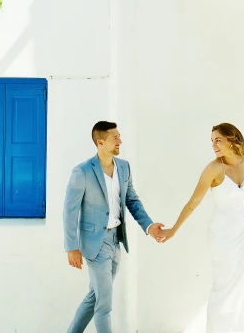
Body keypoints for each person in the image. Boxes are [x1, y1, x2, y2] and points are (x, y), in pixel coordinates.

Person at [161, 123, 244, 332]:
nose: (213, 145)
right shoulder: (214, 169)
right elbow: (193, 203)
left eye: (218, 140)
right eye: (212, 141)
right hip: (222, 236)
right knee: (224, 289)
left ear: (231, 140)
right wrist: (173, 229)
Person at [64, 121, 165, 333]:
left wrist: (149, 226)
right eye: (115, 138)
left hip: (116, 241)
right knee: (104, 305)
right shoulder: (82, 171)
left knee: (95, 297)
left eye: (119, 136)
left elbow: (132, 200)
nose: (120, 141)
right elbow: (70, 211)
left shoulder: (123, 167)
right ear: (100, 143)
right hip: (94, 245)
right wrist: (71, 247)